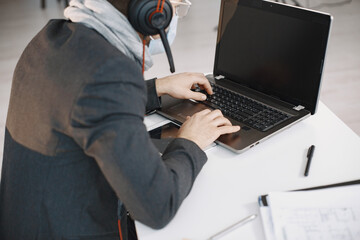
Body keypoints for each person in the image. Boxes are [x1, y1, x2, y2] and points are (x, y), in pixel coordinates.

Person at [0, 0, 240, 239]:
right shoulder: (109, 74)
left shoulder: (53, 37)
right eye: (176, 8)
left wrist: (156, 88)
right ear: (151, 11)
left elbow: (81, 99)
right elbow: (157, 205)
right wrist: (191, 141)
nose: (174, 17)